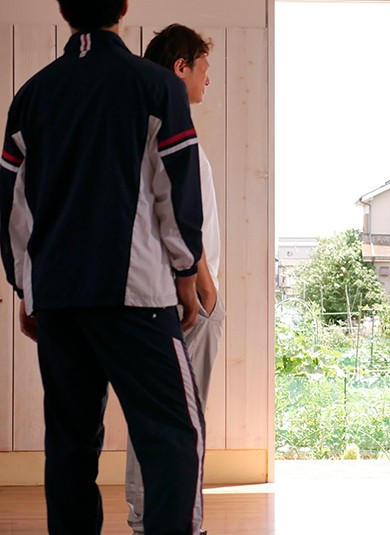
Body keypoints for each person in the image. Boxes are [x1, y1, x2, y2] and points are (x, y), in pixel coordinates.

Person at [0, 1, 206, 533]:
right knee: (174, 435)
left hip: (57, 299)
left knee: (70, 444)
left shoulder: (32, 95)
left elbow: (13, 207)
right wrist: (186, 274)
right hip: (136, 295)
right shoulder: (156, 86)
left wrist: (26, 287)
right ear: (125, 6)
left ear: (64, 9)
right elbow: (175, 189)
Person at [123, 24, 225, 535]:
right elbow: (179, 211)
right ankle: (169, 521)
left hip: (169, 290)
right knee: (181, 421)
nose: (208, 79)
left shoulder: (139, 122)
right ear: (181, 66)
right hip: (182, 294)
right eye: (203, 68)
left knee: (160, 417)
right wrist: (202, 284)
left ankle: (150, 517)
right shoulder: (166, 125)